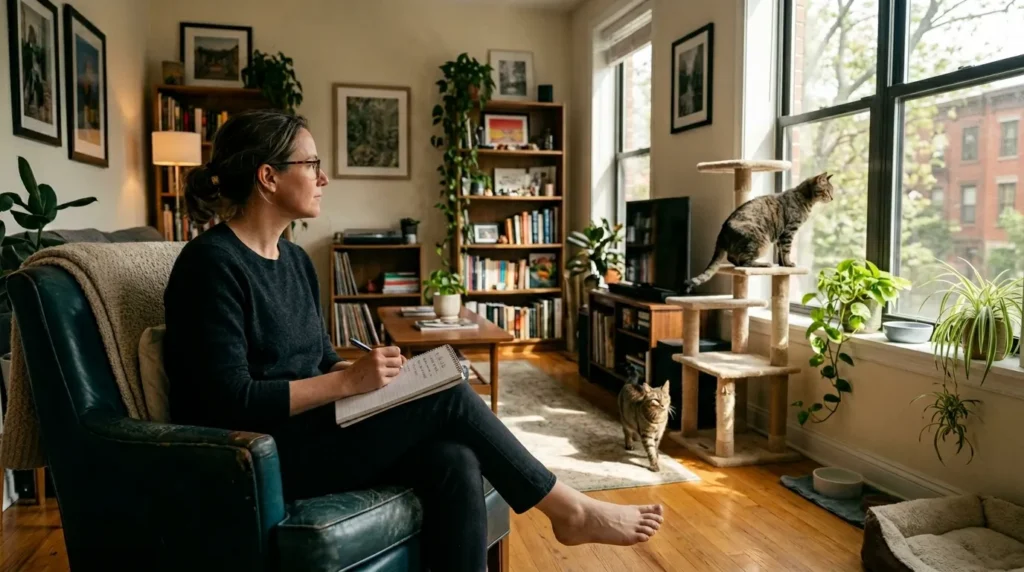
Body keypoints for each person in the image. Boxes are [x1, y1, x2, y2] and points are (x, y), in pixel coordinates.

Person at [162, 109, 663, 571]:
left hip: (316, 428)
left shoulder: (293, 260)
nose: (323, 177)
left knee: (455, 457)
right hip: (264, 453)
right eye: (311, 163)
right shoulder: (209, 265)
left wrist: (376, 377)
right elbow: (230, 400)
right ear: (268, 177)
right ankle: (568, 509)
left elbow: (318, 359)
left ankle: (562, 510)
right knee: (447, 397)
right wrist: (347, 383)